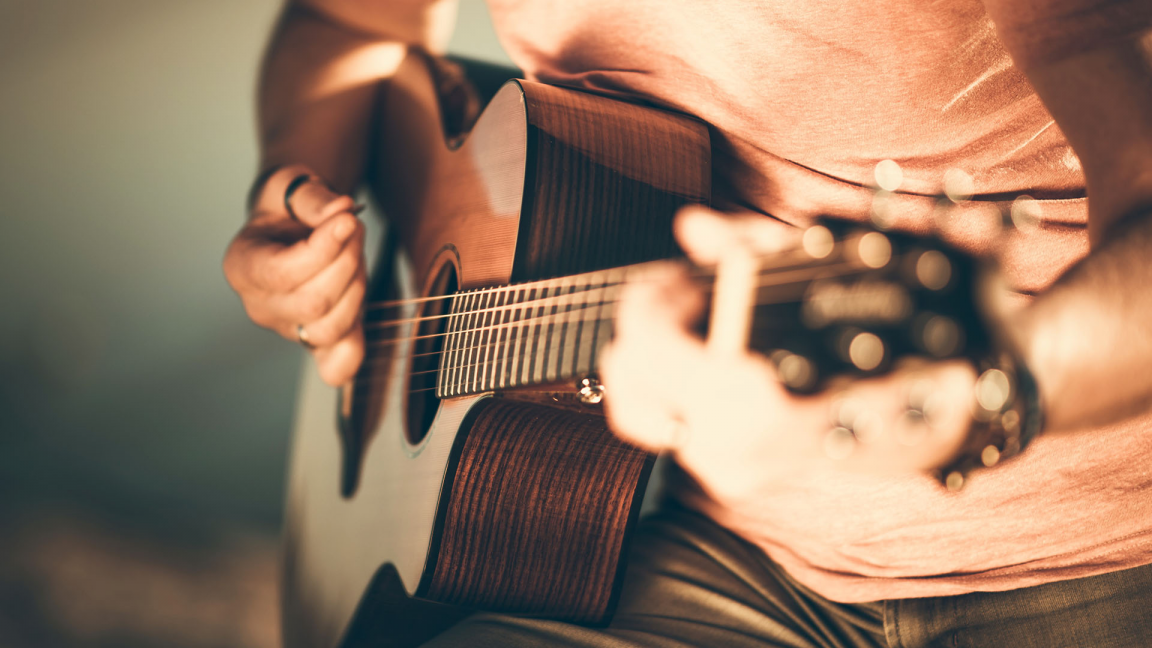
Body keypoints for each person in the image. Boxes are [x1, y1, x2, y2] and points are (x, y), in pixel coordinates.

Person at [223, 1, 1152, 645]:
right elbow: (351, 23)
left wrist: (977, 393)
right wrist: (290, 193)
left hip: (1101, 567)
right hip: (729, 547)